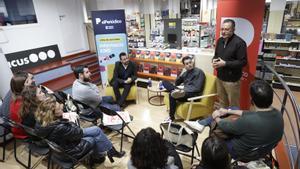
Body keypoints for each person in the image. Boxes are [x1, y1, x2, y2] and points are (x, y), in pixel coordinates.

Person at [185, 80, 284, 160]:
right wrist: (228, 111)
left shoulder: (248, 121)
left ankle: (210, 157)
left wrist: (216, 116)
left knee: (215, 127)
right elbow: (253, 114)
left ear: (252, 100)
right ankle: (201, 123)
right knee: (234, 109)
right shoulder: (278, 114)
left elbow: (225, 126)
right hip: (262, 149)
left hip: (241, 152)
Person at [34, 96, 125, 164]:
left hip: (61, 145)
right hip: (70, 150)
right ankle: (103, 155)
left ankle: (103, 154)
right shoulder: (60, 126)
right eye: (59, 107)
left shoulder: (41, 120)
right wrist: (70, 121)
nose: (62, 106)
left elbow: (69, 133)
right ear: (52, 113)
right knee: (93, 136)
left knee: (96, 131)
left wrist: (63, 119)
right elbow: (78, 132)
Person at [213, 19, 247, 108]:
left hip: (232, 81)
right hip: (219, 77)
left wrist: (225, 64)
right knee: (222, 103)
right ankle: (224, 121)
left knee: (233, 105)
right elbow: (216, 55)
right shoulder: (220, 41)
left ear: (233, 29)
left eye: (226, 29)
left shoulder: (240, 43)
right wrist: (214, 60)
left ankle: (233, 121)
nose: (223, 32)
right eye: (222, 29)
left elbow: (243, 62)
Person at [162, 56, 205, 121]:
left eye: (190, 62)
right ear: (184, 66)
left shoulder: (199, 72)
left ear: (192, 62)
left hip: (193, 95)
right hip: (183, 92)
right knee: (164, 81)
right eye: (187, 64)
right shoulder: (186, 73)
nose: (189, 65)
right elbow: (177, 83)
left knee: (172, 95)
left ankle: (171, 118)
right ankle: (174, 90)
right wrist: (182, 73)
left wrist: (183, 90)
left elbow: (197, 88)